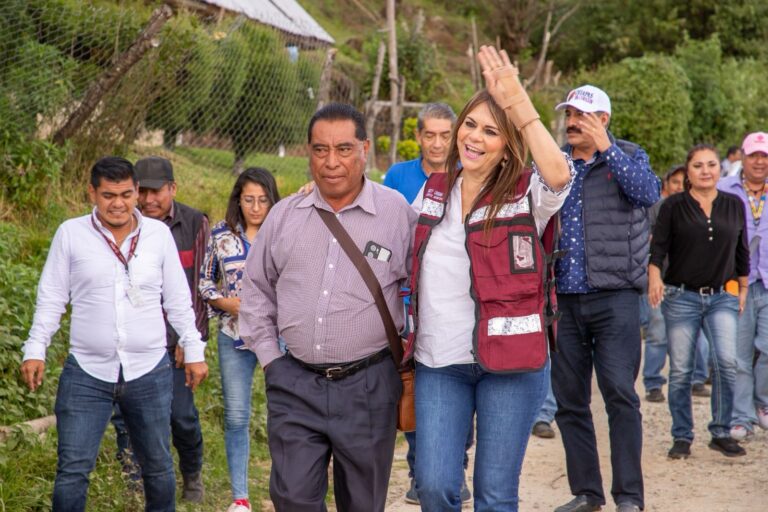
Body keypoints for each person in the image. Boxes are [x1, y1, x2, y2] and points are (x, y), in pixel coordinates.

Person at [405, 45, 573, 511]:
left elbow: (559, 174)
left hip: (513, 364)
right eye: (471, 125)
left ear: (508, 144)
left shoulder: (526, 193)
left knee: (495, 495)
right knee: (435, 486)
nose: (474, 138)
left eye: (491, 131)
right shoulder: (434, 189)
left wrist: (519, 104)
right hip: (440, 361)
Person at [239, 103, 417, 511]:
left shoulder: (396, 215)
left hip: (369, 386)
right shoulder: (284, 216)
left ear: (364, 149)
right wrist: (271, 361)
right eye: (320, 150)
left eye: (343, 149)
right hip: (294, 382)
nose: (331, 162)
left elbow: (426, 290)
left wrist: (410, 358)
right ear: (308, 152)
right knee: (292, 499)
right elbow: (256, 290)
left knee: (362, 503)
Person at [20, 156, 208, 512]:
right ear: (92, 192)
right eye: (108, 195)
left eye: (126, 193)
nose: (118, 203)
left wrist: (193, 349)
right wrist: (36, 348)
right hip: (87, 372)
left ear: (137, 192)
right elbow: (51, 298)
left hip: (149, 370)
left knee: (157, 466)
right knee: (73, 470)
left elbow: (179, 300)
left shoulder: (158, 235)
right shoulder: (71, 234)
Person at [551, 85, 660, 512]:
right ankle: (587, 493)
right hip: (563, 298)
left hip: (614, 296)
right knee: (570, 401)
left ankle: (629, 496)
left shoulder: (629, 155)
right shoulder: (554, 160)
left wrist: (607, 148)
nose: (573, 121)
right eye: (570, 114)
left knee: (620, 394)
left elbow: (648, 195)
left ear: (604, 120)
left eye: (584, 115)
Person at [382, 102, 472, 505]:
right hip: (408, 306)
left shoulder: (469, 174)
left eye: (444, 135)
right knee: (415, 393)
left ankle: (456, 469)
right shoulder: (398, 177)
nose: (437, 143)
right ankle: (421, 472)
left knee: (459, 387)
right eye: (429, 135)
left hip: (455, 305)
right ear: (418, 136)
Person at [649, 144, 749, 460]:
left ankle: (721, 431)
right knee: (680, 370)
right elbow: (658, 249)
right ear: (688, 171)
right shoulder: (673, 206)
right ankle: (682, 436)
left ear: (719, 170)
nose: (705, 170)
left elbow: (741, 249)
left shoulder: (734, 204)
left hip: (722, 296)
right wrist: (654, 277)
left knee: (726, 363)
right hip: (681, 297)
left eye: (710, 165)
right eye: (697, 165)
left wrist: (743, 287)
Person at [119, 156, 208, 502]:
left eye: (157, 192)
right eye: (143, 192)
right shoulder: (123, 224)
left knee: (181, 415)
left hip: (177, 343)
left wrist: (193, 339)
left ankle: (192, 474)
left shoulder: (195, 223)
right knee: (127, 418)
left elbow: (201, 288)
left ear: (173, 189)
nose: (149, 200)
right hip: (136, 343)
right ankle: (133, 485)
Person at [199, 167, 280, 512]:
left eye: (263, 200)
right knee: (236, 416)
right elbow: (204, 283)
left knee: (286, 414)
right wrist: (223, 302)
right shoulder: (221, 235)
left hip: (281, 338)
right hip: (234, 336)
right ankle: (241, 497)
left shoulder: (284, 232)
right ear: (239, 199)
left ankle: (289, 491)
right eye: (249, 199)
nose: (256, 207)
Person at [643, 165, 711, 403]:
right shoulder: (657, 208)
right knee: (658, 333)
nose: (679, 186)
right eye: (675, 182)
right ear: (667, 184)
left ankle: (697, 379)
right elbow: (647, 241)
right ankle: (653, 383)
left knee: (698, 334)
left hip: (692, 283)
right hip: (661, 281)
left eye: (684, 182)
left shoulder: (702, 208)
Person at [717, 132, 768, 440]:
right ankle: (741, 416)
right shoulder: (725, 189)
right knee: (739, 354)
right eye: (754, 156)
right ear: (743, 159)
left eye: (764, 156)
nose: (760, 161)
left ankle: (763, 403)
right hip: (737, 283)